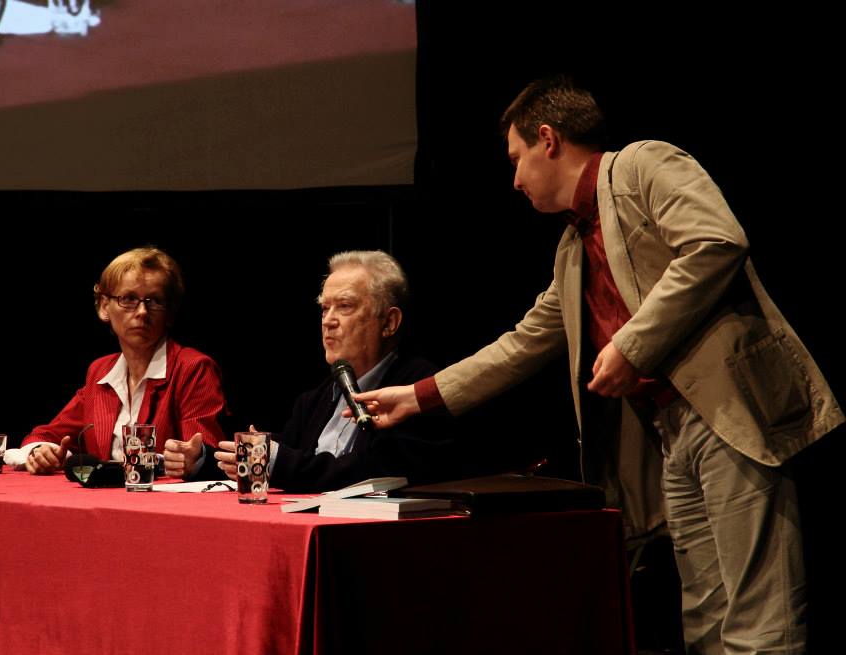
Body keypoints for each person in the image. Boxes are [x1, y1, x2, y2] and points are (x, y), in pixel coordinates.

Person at [352, 78, 843, 654]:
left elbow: (715, 243)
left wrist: (632, 345)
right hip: (670, 430)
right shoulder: (572, 248)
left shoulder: (643, 165)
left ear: (548, 140)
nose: (515, 180)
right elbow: (524, 342)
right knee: (706, 615)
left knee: (757, 619)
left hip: (726, 412)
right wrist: (418, 396)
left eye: (516, 160)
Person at [194, 250, 461, 492]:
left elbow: (377, 472)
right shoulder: (315, 399)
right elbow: (290, 453)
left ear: (389, 322)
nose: (328, 321)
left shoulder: (420, 390)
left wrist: (275, 460)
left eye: (345, 306)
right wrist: (202, 459)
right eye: (324, 308)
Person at [9, 247, 226, 477]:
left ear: (170, 313)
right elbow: (45, 436)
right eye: (129, 299)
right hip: (104, 497)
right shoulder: (100, 371)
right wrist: (41, 452)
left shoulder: (193, 368)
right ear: (104, 306)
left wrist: (191, 459)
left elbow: (204, 451)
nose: (142, 311)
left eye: (154, 301)